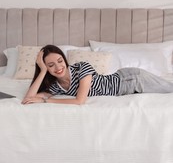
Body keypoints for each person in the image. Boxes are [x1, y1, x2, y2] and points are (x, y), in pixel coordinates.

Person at [22, 44, 173, 105]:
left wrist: (46, 101)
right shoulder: (55, 87)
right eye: (50, 65)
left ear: (65, 59)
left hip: (131, 79)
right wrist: (41, 70)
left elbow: (80, 101)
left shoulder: (82, 68)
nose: (58, 67)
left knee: (170, 88)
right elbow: (28, 99)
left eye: (60, 61)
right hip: (127, 85)